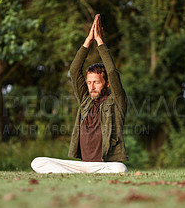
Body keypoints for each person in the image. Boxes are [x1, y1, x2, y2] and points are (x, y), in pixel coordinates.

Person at [31, 14, 128, 173]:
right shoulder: (85, 100)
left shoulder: (117, 101)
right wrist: (88, 40)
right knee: (37, 162)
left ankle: (69, 174)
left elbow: (112, 71)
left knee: (120, 168)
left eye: (96, 82)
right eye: (89, 83)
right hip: (82, 165)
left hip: (104, 164)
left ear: (107, 83)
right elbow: (74, 71)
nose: (91, 87)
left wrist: (99, 42)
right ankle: (72, 173)